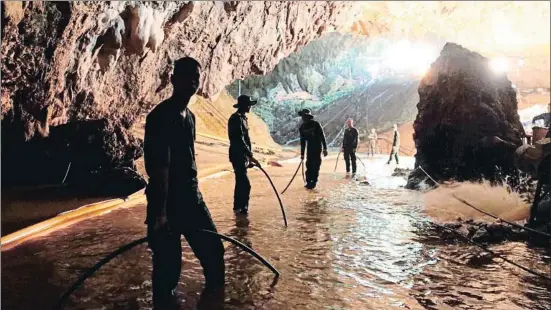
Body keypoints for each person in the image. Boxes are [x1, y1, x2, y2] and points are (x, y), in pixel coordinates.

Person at [144, 57, 225, 307]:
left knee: (214, 254)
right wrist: (160, 215)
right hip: (167, 202)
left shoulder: (189, 117)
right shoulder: (160, 116)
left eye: (196, 77)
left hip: (192, 199)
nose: (192, 81)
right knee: (167, 275)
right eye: (186, 75)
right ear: (173, 80)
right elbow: (159, 168)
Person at [228, 95, 260, 215]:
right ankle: (241, 209)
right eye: (249, 105)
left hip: (243, 156)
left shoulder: (243, 118)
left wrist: (248, 159)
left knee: (241, 182)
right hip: (237, 155)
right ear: (244, 106)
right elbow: (238, 140)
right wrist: (251, 156)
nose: (250, 107)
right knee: (245, 184)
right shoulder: (235, 118)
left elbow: (245, 139)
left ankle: (239, 209)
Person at [299, 109, 328, 189]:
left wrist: (325, 148)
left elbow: (322, 136)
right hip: (309, 148)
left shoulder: (316, 124)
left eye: (304, 116)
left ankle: (314, 181)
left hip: (317, 147)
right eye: (302, 116)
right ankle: (308, 182)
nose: (303, 118)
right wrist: (302, 154)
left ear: (308, 116)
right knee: (308, 165)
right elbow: (302, 142)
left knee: (316, 165)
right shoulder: (302, 127)